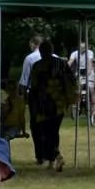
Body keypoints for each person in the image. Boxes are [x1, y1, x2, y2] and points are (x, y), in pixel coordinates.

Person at [28, 41, 67, 172]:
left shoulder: (37, 66)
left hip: (43, 106)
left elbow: (33, 86)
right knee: (54, 132)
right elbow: (71, 82)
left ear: (41, 52)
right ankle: (53, 158)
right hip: (59, 104)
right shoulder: (62, 63)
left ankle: (54, 156)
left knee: (45, 133)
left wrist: (32, 104)